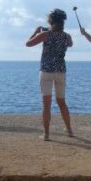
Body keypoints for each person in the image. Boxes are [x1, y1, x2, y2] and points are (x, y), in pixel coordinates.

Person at [26, 9, 74, 141]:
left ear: (51, 21)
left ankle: (46, 134)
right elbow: (70, 44)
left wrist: (37, 32)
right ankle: (69, 130)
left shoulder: (45, 34)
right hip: (60, 71)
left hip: (46, 71)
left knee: (46, 104)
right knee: (62, 102)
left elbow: (28, 44)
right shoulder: (67, 36)